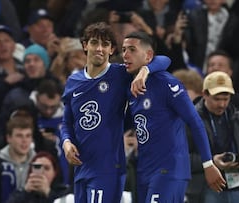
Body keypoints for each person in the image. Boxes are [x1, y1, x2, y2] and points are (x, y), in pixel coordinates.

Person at [60, 22, 171, 203]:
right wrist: (66, 142)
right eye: (95, 42)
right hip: (82, 167)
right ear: (84, 45)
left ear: (112, 50)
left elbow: (165, 60)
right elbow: (67, 121)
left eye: (105, 44)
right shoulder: (73, 81)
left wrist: (144, 71)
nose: (99, 49)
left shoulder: (120, 74)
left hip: (107, 167)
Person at [122, 31, 225, 202]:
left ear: (148, 55)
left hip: (169, 169)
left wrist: (208, 163)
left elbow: (195, 122)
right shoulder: (129, 84)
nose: (125, 54)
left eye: (132, 49)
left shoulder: (166, 83)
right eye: (123, 49)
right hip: (145, 168)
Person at [186, 71, 239, 203]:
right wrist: (210, 162)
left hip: (236, 186)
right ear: (205, 94)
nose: (222, 104)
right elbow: (180, 158)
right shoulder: (189, 120)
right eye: (217, 99)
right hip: (204, 188)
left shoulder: (237, 118)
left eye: (226, 99)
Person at [0, 114, 36, 203]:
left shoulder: (39, 164)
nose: (24, 141)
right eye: (19, 136)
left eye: (28, 136)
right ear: (9, 138)